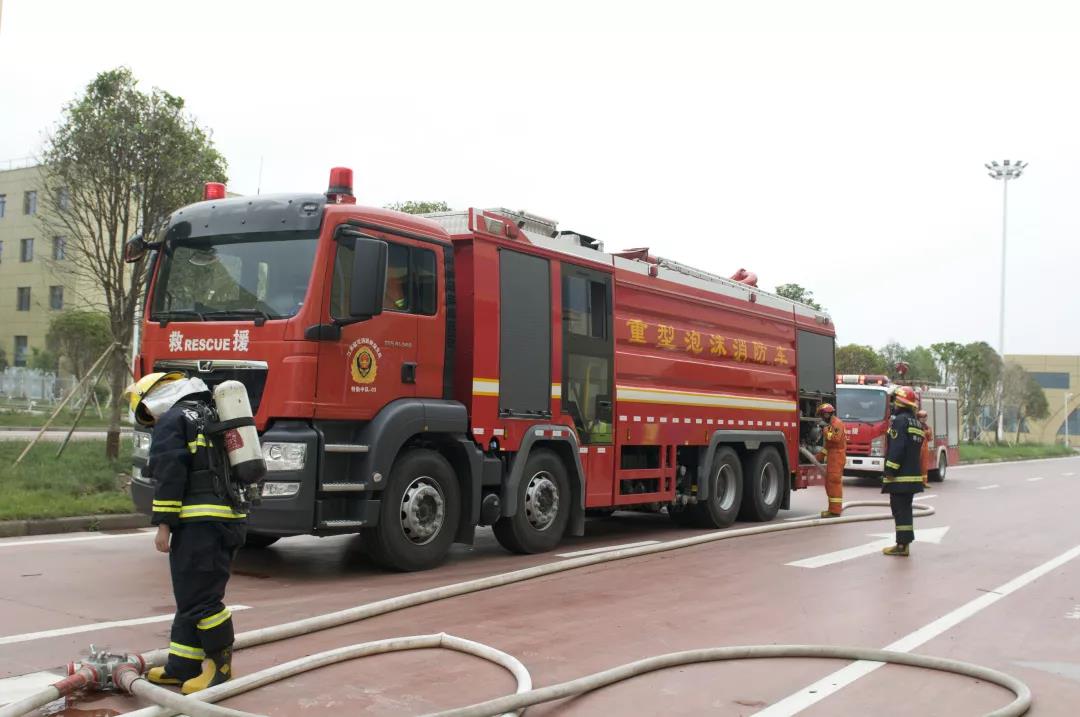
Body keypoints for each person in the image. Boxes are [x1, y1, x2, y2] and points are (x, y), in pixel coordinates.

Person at [123, 372, 247, 693]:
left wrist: (163, 526)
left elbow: (170, 474)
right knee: (190, 597)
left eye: (148, 415)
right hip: (227, 520)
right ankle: (182, 665)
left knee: (202, 599)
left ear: (154, 401)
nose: (152, 422)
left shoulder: (172, 420)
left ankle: (220, 667)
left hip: (199, 524)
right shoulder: (209, 413)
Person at [882, 386, 925, 557]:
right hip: (912, 475)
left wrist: (890, 469)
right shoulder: (916, 422)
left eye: (895, 402)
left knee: (899, 510)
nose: (894, 405)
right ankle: (904, 543)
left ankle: (901, 545)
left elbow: (897, 448)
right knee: (905, 509)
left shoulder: (900, 421)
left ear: (900, 403)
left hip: (900, 477)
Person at [816, 403, 846, 518]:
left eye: (822, 415)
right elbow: (828, 445)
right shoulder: (831, 424)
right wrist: (820, 456)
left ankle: (835, 511)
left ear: (828, 414)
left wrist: (825, 431)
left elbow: (835, 438)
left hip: (837, 457)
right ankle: (832, 509)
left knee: (834, 483)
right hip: (833, 457)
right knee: (829, 484)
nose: (822, 417)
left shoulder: (837, 423)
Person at [917, 409, 932, 486]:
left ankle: (924, 482)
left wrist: (928, 432)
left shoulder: (927, 427)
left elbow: (929, 438)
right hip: (917, 448)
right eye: (921, 417)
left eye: (924, 417)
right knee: (917, 465)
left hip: (924, 448)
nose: (923, 419)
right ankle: (917, 482)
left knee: (924, 466)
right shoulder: (916, 426)